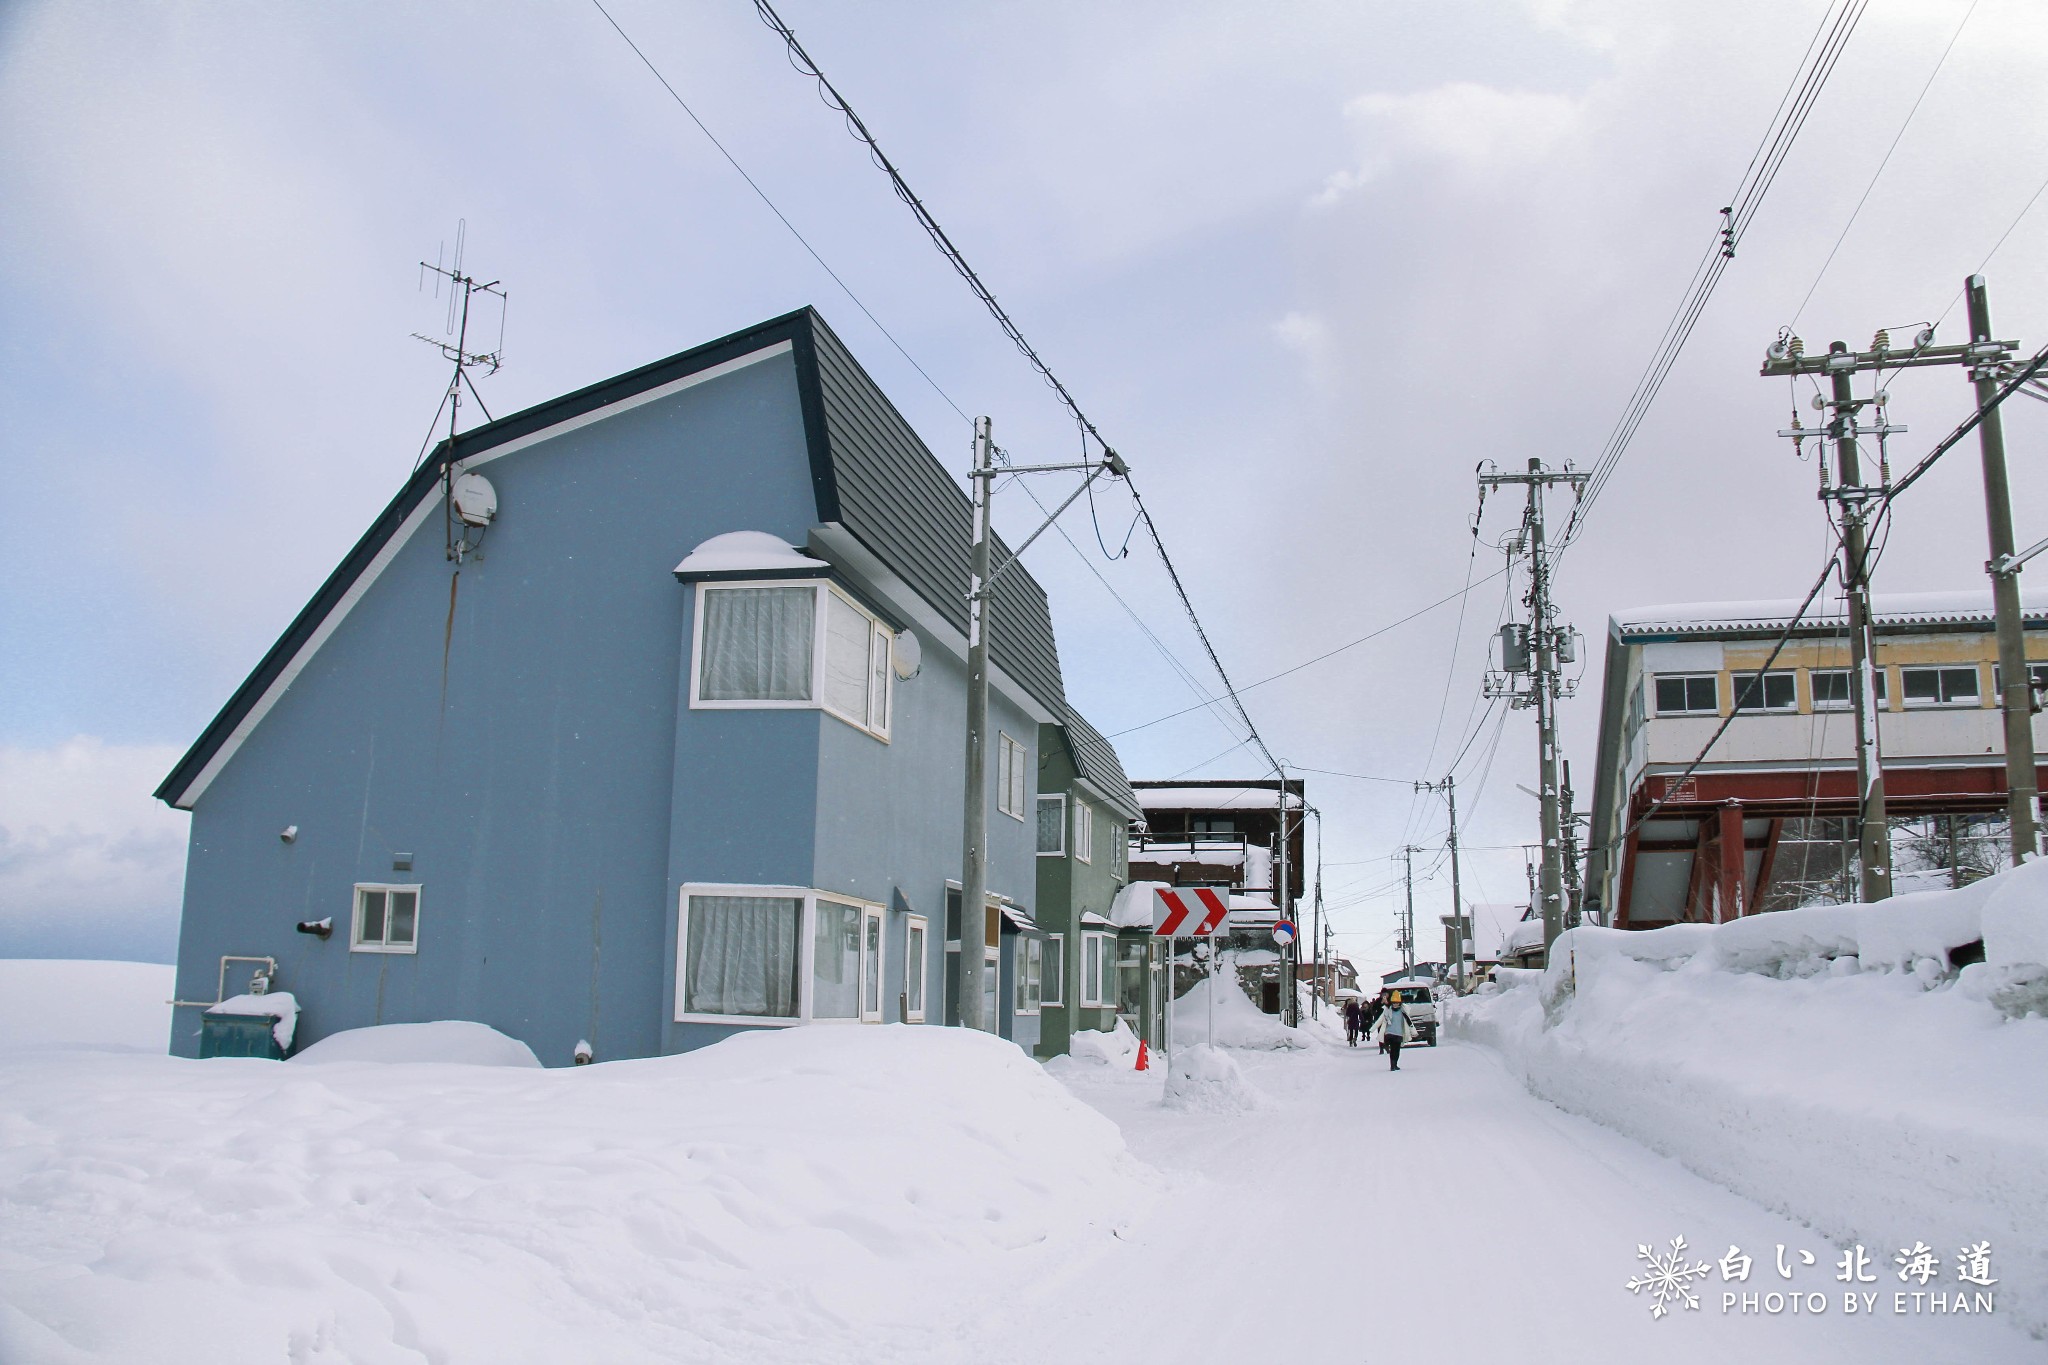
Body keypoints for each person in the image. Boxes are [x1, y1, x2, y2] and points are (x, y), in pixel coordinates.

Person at [1380, 990, 1410, 1071]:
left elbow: (1407, 1019)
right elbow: (1386, 1005)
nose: (1395, 1004)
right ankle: (1392, 1065)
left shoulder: (1402, 1011)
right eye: (1394, 1003)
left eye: (1397, 1003)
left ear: (1400, 1003)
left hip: (1399, 1033)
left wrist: (1411, 1028)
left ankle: (1395, 1063)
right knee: (1393, 1049)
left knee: (1397, 1050)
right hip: (1390, 1033)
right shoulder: (1389, 1010)